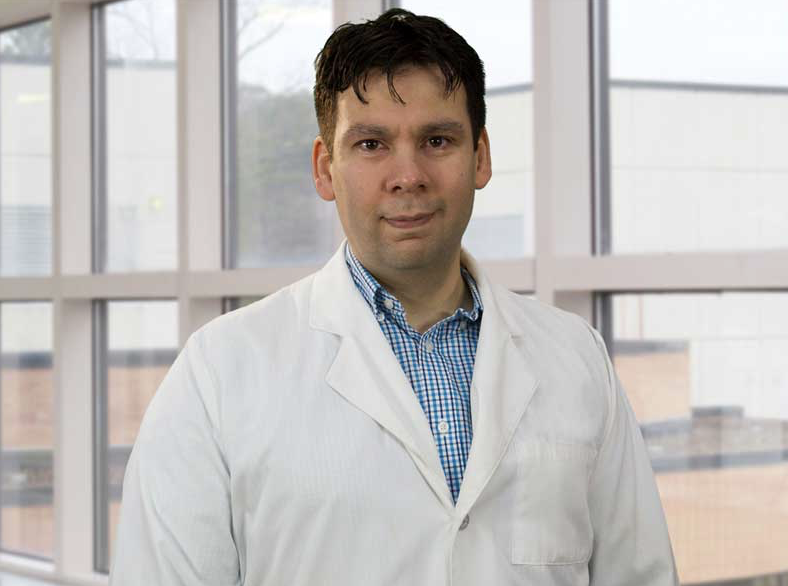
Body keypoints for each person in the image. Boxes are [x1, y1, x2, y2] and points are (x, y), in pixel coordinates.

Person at [110, 8, 678, 586]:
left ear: (479, 156)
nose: (408, 175)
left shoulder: (577, 358)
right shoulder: (218, 373)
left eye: (437, 139)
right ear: (325, 168)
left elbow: (641, 573)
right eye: (371, 144)